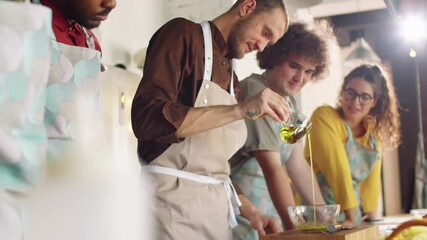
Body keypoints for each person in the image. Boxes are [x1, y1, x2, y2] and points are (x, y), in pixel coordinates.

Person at [131, 0, 291, 239]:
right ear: (247, 7)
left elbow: (213, 169)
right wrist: (239, 110)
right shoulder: (182, 35)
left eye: (270, 42)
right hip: (171, 211)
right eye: (265, 32)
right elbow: (146, 118)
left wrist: (252, 211)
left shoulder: (232, 81)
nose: (262, 46)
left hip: (215, 215)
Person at [229, 20, 335, 239]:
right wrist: (294, 229)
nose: (300, 77)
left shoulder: (291, 103)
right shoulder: (255, 91)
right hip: (243, 218)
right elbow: (272, 168)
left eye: (308, 71)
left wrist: (328, 220)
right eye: (294, 66)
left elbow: (298, 166)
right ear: (274, 57)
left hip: (271, 217)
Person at [305, 64, 401, 225]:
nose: (355, 102)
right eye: (351, 93)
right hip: (317, 214)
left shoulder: (372, 135)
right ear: (343, 92)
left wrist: (371, 220)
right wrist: (349, 216)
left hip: (353, 218)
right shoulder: (324, 117)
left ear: (374, 102)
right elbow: (337, 167)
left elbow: (372, 183)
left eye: (364, 97)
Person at [33, 0, 116, 159]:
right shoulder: (20, 22)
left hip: (80, 170)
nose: (111, 3)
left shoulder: (89, 40)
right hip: (33, 172)